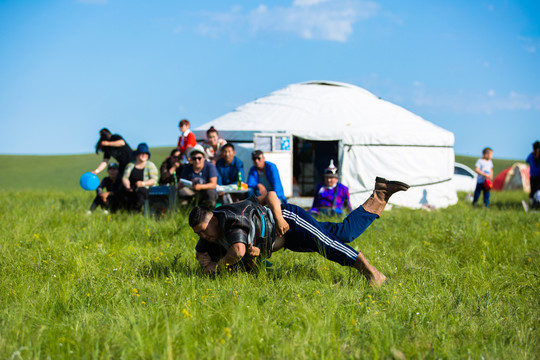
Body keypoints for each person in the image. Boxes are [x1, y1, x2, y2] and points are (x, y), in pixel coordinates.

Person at [189, 177, 410, 287]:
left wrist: (278, 216)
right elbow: (204, 249)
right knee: (343, 233)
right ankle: (380, 194)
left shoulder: (231, 220)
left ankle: (370, 272)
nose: (204, 236)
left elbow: (237, 251)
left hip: (289, 221)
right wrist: (202, 257)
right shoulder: (212, 230)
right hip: (286, 239)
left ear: (214, 218)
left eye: (204, 231)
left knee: (328, 244)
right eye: (199, 234)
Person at [122, 143, 158, 212]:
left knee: (140, 192)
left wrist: (143, 183)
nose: (144, 155)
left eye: (145, 153)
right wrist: (127, 186)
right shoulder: (130, 165)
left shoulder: (150, 165)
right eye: (142, 153)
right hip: (132, 188)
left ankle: (137, 211)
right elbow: (125, 177)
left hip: (145, 189)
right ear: (137, 154)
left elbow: (154, 180)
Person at [526, 141, 540, 209]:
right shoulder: (531, 156)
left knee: (537, 191)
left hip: (536, 177)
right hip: (533, 177)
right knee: (534, 191)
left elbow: (527, 160)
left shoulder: (531, 156)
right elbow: (527, 160)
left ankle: (536, 204)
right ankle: (533, 204)